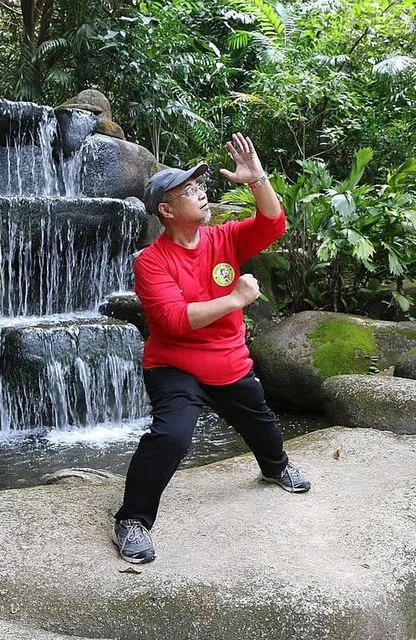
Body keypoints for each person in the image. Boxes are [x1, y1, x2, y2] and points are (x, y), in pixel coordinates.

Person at [111, 132, 310, 564]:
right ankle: (132, 520)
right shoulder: (151, 261)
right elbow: (173, 320)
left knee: (262, 425)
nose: (201, 194)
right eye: (189, 191)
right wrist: (236, 299)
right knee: (172, 435)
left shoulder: (225, 239)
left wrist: (257, 180)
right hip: (174, 365)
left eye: (200, 187)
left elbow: (273, 223)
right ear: (166, 210)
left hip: (229, 362)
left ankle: (276, 467)